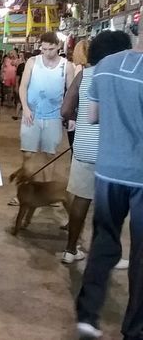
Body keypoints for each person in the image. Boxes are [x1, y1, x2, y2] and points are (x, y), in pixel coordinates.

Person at [75, 30, 143, 340]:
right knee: (141, 256)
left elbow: (91, 116)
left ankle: (88, 316)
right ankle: (135, 330)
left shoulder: (106, 66)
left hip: (108, 170)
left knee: (104, 240)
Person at [60, 31, 132, 264]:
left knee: (80, 199)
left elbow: (65, 110)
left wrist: (79, 120)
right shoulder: (125, 75)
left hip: (83, 148)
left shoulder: (85, 75)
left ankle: (70, 250)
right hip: (114, 152)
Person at [18, 33, 74, 180]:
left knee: (50, 154)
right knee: (28, 153)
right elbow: (23, 86)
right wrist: (25, 107)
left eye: (51, 49)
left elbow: (71, 93)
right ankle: (25, 189)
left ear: (58, 46)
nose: (47, 52)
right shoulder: (32, 62)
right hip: (31, 114)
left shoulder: (66, 66)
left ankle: (46, 190)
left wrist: (71, 116)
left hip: (54, 116)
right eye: (44, 49)